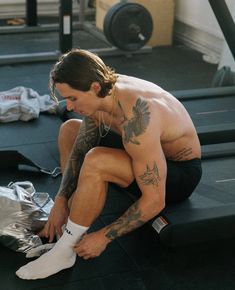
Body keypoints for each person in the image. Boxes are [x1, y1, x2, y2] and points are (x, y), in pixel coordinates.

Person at [16, 49, 202, 280]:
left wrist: (103, 236)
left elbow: (155, 200)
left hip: (178, 174)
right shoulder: (101, 91)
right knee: (69, 130)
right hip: (141, 153)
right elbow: (80, 147)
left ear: (94, 87)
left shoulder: (138, 119)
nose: (70, 107)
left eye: (73, 98)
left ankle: (64, 252)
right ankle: (68, 223)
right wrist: (61, 201)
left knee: (97, 160)